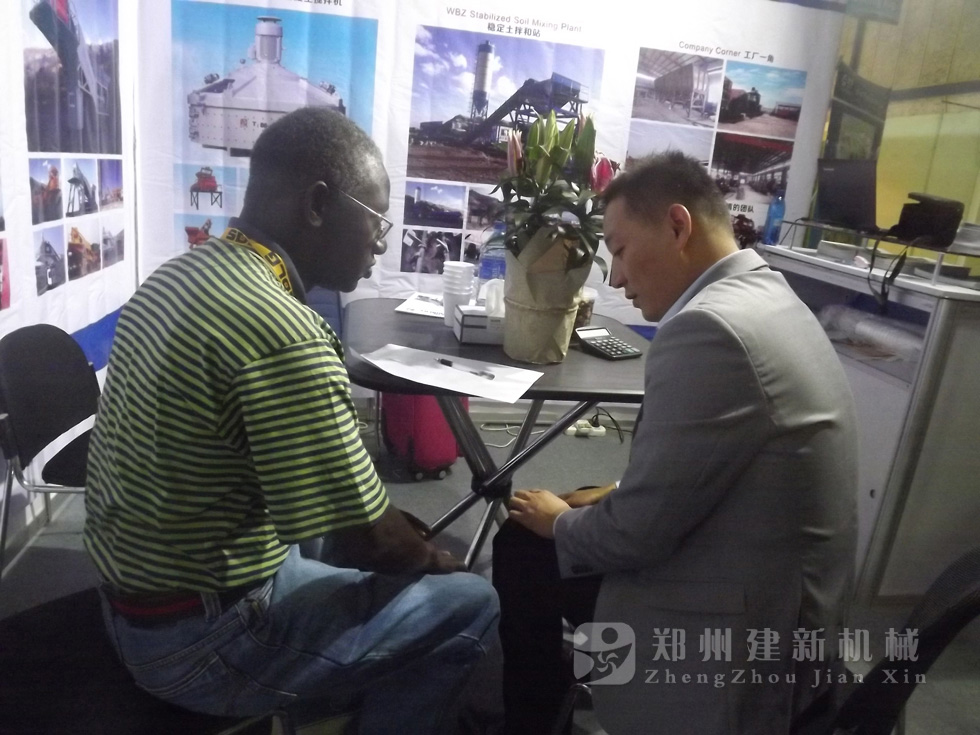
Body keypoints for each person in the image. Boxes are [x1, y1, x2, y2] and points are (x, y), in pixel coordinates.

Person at [84, 107, 499, 734]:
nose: (381, 243)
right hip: (200, 645)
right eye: (376, 220)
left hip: (131, 606)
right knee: (470, 601)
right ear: (318, 205)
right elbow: (371, 540)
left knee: (337, 532)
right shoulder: (283, 331)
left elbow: (334, 510)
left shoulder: (177, 276)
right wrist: (435, 561)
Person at [492, 151, 857, 734]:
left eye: (620, 250)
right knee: (559, 521)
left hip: (740, 630)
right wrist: (611, 494)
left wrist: (562, 521)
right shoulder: (769, 295)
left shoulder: (708, 330)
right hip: (786, 592)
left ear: (678, 226)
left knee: (523, 544)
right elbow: (728, 463)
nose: (615, 277)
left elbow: (635, 535)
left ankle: (534, 720)